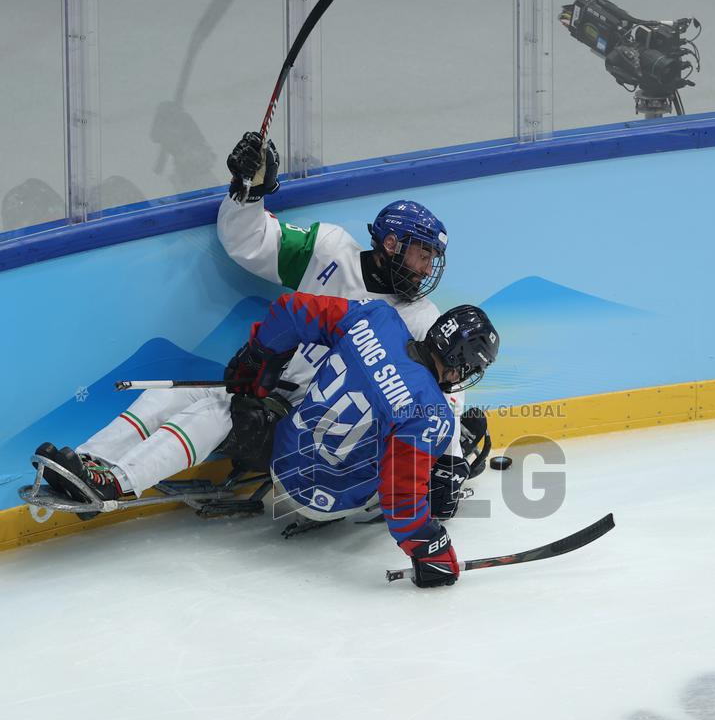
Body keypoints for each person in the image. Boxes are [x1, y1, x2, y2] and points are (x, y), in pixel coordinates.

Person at [33, 132, 475, 521]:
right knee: (181, 391)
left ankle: (117, 483)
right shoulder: (330, 249)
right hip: (270, 385)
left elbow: (443, 395)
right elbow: (251, 242)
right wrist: (249, 192)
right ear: (392, 244)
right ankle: (91, 460)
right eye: (422, 255)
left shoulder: (421, 318)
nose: (426, 269)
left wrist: (450, 460)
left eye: (432, 260)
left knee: (217, 411)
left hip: (308, 428)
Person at [221, 293, 499, 586]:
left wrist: (259, 358)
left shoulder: (376, 317)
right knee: (425, 464)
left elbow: (291, 310)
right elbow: (400, 495)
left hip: (281, 454)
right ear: (460, 362)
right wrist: (430, 549)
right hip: (325, 502)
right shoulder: (431, 413)